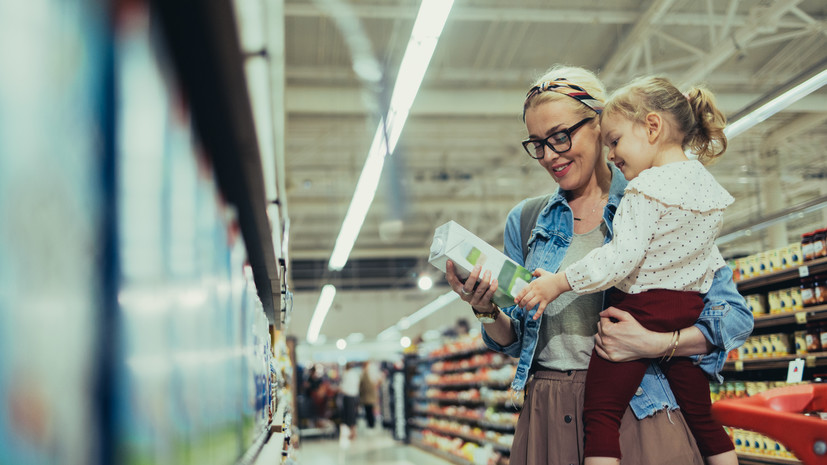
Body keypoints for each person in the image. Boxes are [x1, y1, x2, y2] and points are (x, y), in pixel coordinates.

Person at [443, 65, 753, 464]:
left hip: (642, 407)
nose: (549, 155)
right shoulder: (526, 220)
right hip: (547, 413)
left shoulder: (657, 200)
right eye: (537, 143)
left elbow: (733, 318)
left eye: (560, 136)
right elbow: (518, 339)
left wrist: (657, 343)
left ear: (600, 122)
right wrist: (484, 308)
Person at [339, 361, 361, 440]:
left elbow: (343, 387)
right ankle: (353, 432)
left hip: (348, 396)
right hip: (355, 396)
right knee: (353, 415)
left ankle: (352, 433)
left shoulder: (346, 374)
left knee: (349, 415)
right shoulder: (355, 374)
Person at [359, 361, 378, 429]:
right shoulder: (366, 374)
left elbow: (364, 386)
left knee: (369, 412)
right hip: (368, 397)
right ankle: (371, 425)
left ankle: (371, 425)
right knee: (369, 411)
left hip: (368, 397)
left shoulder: (366, 374)